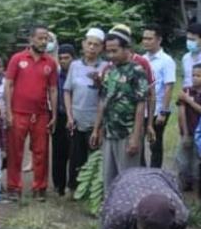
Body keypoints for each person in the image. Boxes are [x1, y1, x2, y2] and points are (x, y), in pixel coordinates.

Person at [5, 25, 58, 202]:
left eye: (46, 39)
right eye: (41, 38)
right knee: (15, 152)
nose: (44, 42)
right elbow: (9, 85)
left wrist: (54, 115)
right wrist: (8, 112)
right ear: (31, 39)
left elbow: (53, 90)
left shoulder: (50, 62)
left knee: (41, 152)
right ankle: (13, 187)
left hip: (41, 114)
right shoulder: (17, 59)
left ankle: (40, 188)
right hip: (18, 113)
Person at [91, 28, 148, 192]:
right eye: (108, 51)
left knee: (128, 180)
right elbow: (103, 100)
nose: (110, 55)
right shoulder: (109, 71)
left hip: (127, 132)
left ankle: (128, 215)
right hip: (109, 132)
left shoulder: (137, 71)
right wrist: (97, 129)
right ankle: (111, 213)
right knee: (109, 179)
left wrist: (135, 137)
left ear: (126, 49)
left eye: (114, 51)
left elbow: (140, 105)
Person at [64, 28, 105, 191]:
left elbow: (104, 97)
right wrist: (69, 115)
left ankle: (93, 190)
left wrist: (98, 126)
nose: (92, 48)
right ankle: (74, 188)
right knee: (75, 156)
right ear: (83, 44)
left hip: (95, 120)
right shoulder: (74, 66)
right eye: (89, 43)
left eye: (96, 45)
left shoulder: (105, 67)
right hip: (75, 119)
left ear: (101, 47)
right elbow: (67, 90)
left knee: (94, 156)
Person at [142, 25, 176, 169]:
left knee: (155, 144)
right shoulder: (141, 59)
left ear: (159, 40)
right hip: (141, 109)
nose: (146, 41)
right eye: (144, 38)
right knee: (138, 143)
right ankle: (141, 172)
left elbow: (169, 86)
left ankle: (155, 173)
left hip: (157, 110)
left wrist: (163, 111)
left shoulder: (166, 61)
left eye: (150, 38)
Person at [176, 64, 201, 192]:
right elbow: (181, 113)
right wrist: (185, 133)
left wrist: (189, 101)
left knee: (198, 162)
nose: (195, 78)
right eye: (193, 75)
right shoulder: (186, 91)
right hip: (187, 132)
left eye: (198, 75)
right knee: (182, 161)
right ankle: (184, 186)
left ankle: (199, 190)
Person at [52, 44, 75, 197]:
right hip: (59, 117)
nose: (63, 61)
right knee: (58, 153)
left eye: (66, 58)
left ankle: (73, 185)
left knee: (74, 153)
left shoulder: (78, 75)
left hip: (75, 118)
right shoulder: (55, 76)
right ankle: (58, 185)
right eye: (60, 58)